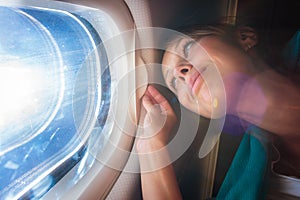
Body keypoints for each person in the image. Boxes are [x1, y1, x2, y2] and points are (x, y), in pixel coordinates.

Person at [136, 23, 300, 199]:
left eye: (188, 47)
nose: (180, 72)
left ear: (244, 37)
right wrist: (151, 145)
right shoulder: (254, 186)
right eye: (174, 83)